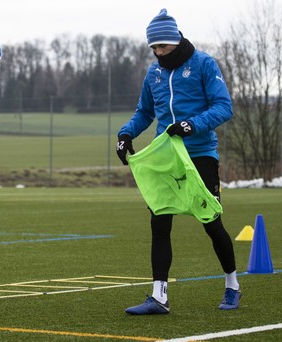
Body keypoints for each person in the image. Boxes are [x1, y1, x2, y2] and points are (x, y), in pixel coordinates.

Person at [116, 9, 241, 314]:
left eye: (163, 47)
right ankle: (159, 296)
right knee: (159, 224)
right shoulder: (153, 73)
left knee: (211, 223)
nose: (158, 53)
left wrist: (191, 125)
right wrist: (125, 133)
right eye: (154, 48)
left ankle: (232, 285)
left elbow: (224, 107)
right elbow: (145, 112)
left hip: (200, 155)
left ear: (176, 42)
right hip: (166, 158)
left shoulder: (203, 64)